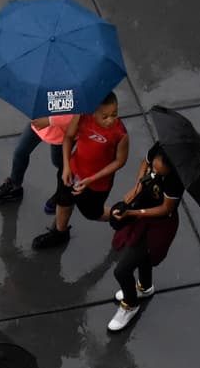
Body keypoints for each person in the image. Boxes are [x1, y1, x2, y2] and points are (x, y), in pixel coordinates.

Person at [103, 142, 186, 332]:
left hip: (159, 225)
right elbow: (144, 163)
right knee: (143, 258)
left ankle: (130, 305)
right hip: (142, 214)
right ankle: (145, 287)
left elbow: (166, 209)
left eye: (159, 170)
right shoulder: (160, 149)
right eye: (154, 166)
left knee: (122, 271)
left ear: (171, 169)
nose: (154, 170)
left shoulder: (176, 180)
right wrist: (138, 185)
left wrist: (133, 213)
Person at [32, 92, 129, 250]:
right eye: (105, 116)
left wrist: (91, 179)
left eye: (114, 114)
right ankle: (60, 233)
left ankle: (125, 216)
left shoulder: (120, 134)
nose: (111, 120)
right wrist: (66, 167)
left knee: (93, 214)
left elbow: (120, 161)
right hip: (72, 172)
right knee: (63, 201)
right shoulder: (82, 117)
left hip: (97, 184)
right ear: (93, 112)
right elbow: (68, 138)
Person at [0, 115, 76, 213]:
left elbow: (78, 112)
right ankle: (14, 187)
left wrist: (50, 120)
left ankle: (63, 194)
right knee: (20, 152)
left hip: (63, 132)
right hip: (39, 123)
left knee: (60, 163)